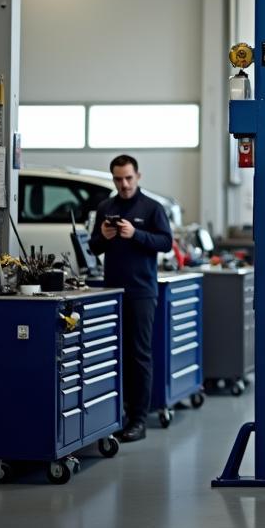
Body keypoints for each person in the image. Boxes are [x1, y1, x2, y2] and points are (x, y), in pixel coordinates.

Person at [89, 155, 174, 442]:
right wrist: (103, 235)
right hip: (112, 291)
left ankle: (138, 420)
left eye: (128, 178)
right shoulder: (106, 207)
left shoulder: (152, 208)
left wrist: (135, 233)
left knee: (139, 356)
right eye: (117, 179)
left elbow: (165, 242)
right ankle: (118, 414)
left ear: (138, 176)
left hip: (141, 292)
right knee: (115, 355)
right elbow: (93, 247)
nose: (123, 184)